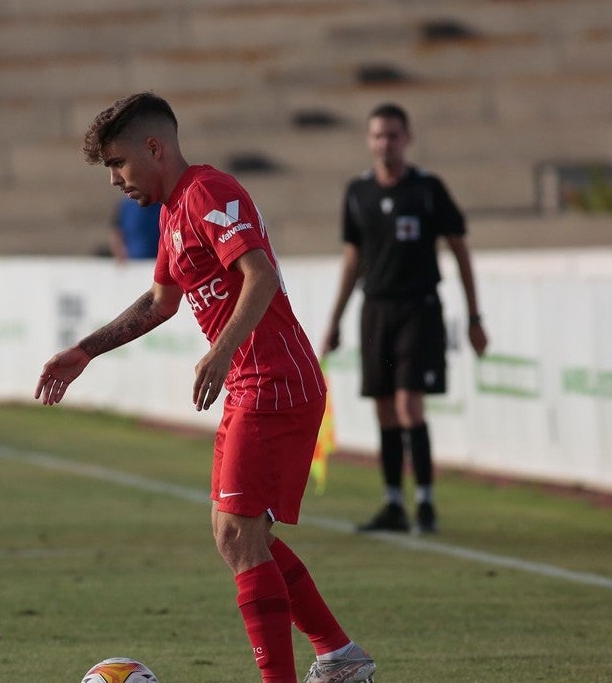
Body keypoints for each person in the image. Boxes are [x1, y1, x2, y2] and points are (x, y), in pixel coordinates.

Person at [35, 92, 376, 683]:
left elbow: (261, 274)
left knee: (239, 536)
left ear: (154, 147)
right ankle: (340, 657)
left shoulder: (209, 193)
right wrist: (85, 351)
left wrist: (219, 353)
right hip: (252, 380)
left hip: (273, 378)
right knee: (236, 536)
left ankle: (307, 670)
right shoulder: (172, 213)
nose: (115, 180)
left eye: (118, 163)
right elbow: (161, 302)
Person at [322, 102, 488, 535]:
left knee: (408, 403)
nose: (385, 143)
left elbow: (460, 250)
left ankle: (426, 501)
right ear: (368, 140)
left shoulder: (428, 189)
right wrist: (335, 320)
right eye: (378, 135)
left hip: (419, 308)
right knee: (384, 409)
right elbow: (352, 258)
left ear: (407, 139)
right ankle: (393, 502)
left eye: (393, 135)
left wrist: (474, 316)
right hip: (375, 309)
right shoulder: (358, 192)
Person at [109, 195, 162, 262]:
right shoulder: (126, 206)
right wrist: (120, 254)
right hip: (132, 263)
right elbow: (116, 233)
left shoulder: (160, 206)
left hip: (156, 261)